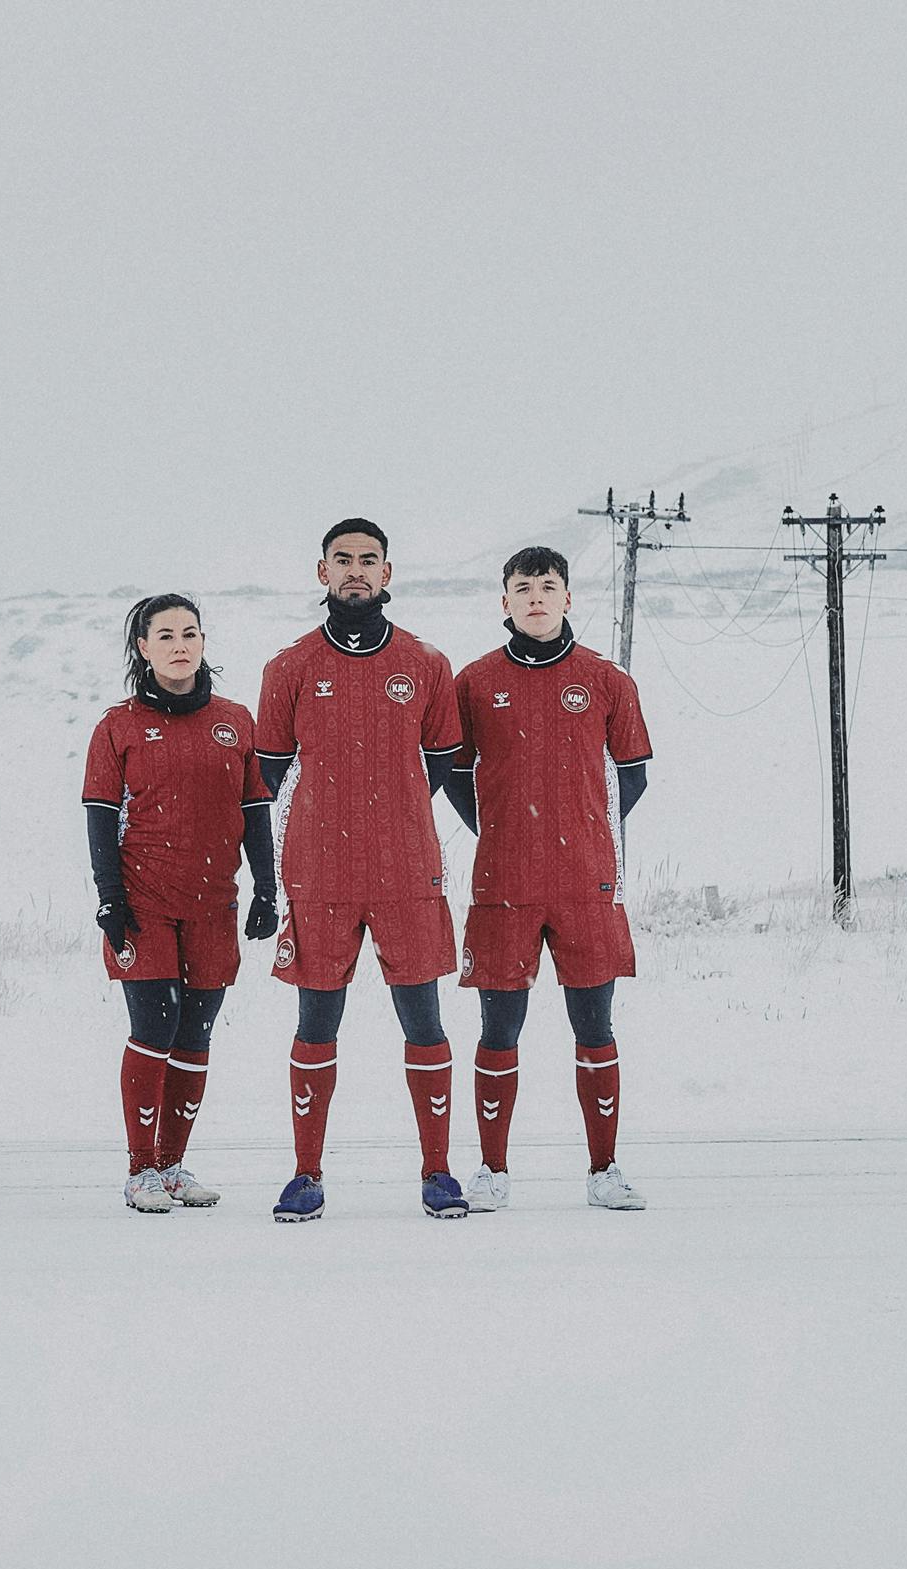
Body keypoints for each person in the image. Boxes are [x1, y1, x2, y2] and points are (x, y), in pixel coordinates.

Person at [255, 519, 469, 1221]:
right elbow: (269, 774)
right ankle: (305, 1174)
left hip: (407, 869)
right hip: (319, 871)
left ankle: (437, 1171)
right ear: (322, 573)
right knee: (317, 1021)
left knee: (424, 1018)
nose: (355, 571)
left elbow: (438, 762)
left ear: (387, 573)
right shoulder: (288, 669)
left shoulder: (426, 664)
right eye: (342, 560)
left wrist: (390, 813)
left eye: (367, 561)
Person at [443, 545, 652, 1211]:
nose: (537, 597)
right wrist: (500, 827)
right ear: (504, 601)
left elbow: (633, 774)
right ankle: (493, 1171)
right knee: (499, 1028)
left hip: (585, 881)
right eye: (523, 587)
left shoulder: (605, 679)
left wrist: (582, 826)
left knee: (594, 1027)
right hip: (502, 882)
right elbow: (451, 770)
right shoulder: (474, 683)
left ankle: (604, 1170)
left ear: (569, 599)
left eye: (549, 586)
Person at [83, 593, 278, 1213]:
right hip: (144, 902)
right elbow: (99, 816)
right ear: (142, 648)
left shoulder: (234, 721)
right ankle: (141, 1169)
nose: (179, 644)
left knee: (195, 1034)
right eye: (164, 635)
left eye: (189, 633)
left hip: (214, 902)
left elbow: (254, 811)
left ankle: (172, 1165)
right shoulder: (117, 727)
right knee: (155, 1026)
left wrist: (266, 889)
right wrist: (110, 899)